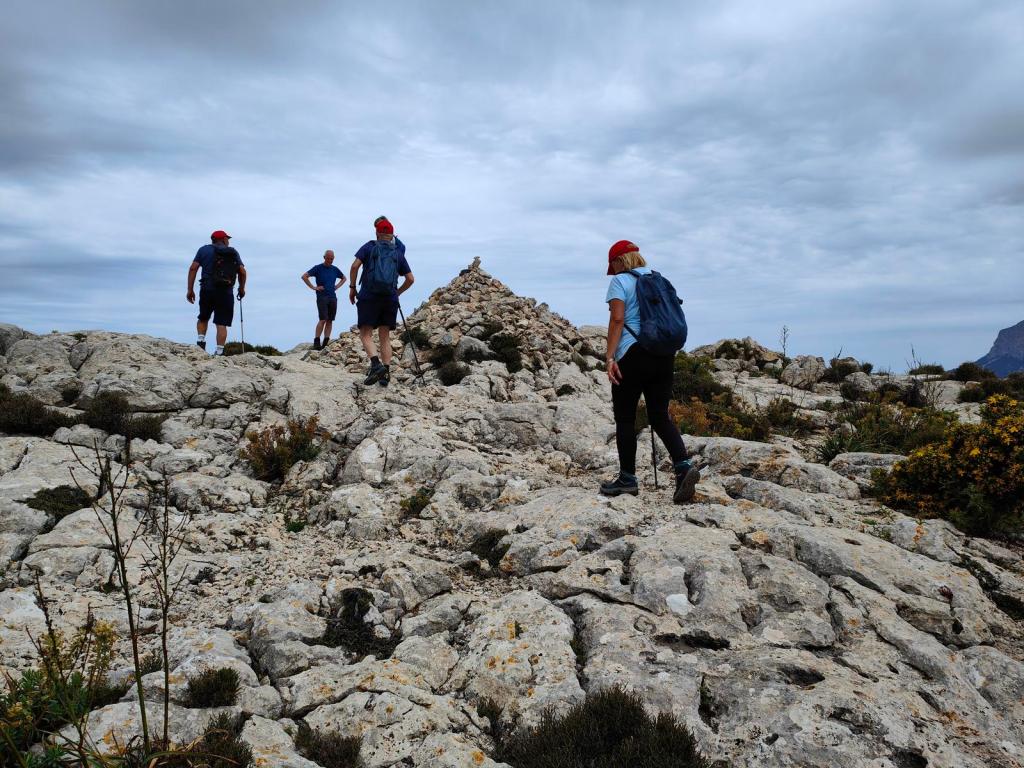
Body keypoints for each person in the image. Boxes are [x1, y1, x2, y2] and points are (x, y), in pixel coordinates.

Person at [600, 239, 700, 502]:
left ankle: (627, 479)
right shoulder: (658, 279)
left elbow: (618, 319)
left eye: (613, 265)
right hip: (663, 355)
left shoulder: (620, 281)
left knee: (625, 418)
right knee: (659, 416)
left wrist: (610, 357)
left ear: (619, 262)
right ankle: (683, 468)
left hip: (633, 354)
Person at [349, 216, 414, 386]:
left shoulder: (369, 247)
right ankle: (385, 374)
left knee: (365, 333)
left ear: (377, 232)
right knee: (384, 336)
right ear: (392, 235)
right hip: (389, 298)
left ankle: (376, 364)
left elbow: (355, 266)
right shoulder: (398, 252)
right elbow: (410, 279)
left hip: (369, 296)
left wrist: (352, 288)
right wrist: (397, 292)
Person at [187, 230, 246, 356]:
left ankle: (201, 342)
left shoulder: (203, 250)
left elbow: (193, 268)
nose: (228, 241)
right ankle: (219, 351)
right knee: (221, 323)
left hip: (207, 289)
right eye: (227, 239)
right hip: (225, 291)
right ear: (224, 239)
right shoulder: (233, 252)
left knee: (203, 317)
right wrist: (241, 288)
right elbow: (242, 272)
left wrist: (190, 289)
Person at [301, 250, 346, 349]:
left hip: (332, 297)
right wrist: (314, 287)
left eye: (332, 259)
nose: (330, 260)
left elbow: (344, 278)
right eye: (328, 258)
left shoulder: (335, 269)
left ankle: (326, 342)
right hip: (322, 297)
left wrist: (337, 286)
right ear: (324, 257)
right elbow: (304, 276)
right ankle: (317, 341)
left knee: (330, 320)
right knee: (322, 319)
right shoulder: (318, 268)